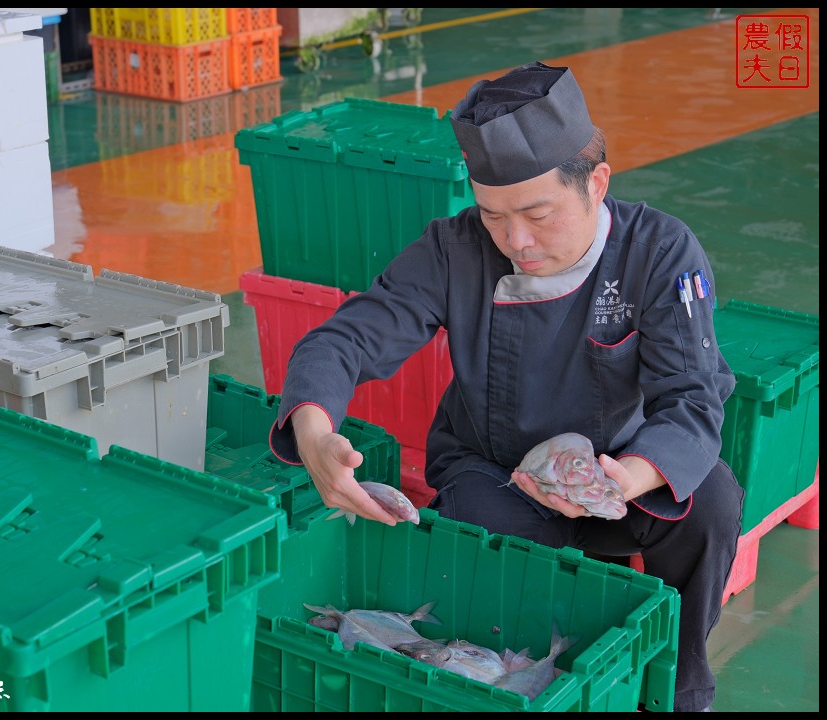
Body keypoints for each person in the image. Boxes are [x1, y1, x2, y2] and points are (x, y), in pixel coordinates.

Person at [267, 61, 744, 712]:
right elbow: (347, 338)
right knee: (481, 565)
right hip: (494, 472)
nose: (515, 241)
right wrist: (314, 428)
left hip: (624, 475)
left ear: (596, 184)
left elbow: (693, 398)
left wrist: (616, 482)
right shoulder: (453, 250)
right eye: (493, 215)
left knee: (712, 500)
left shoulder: (658, 252)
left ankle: (677, 688)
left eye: (538, 215)